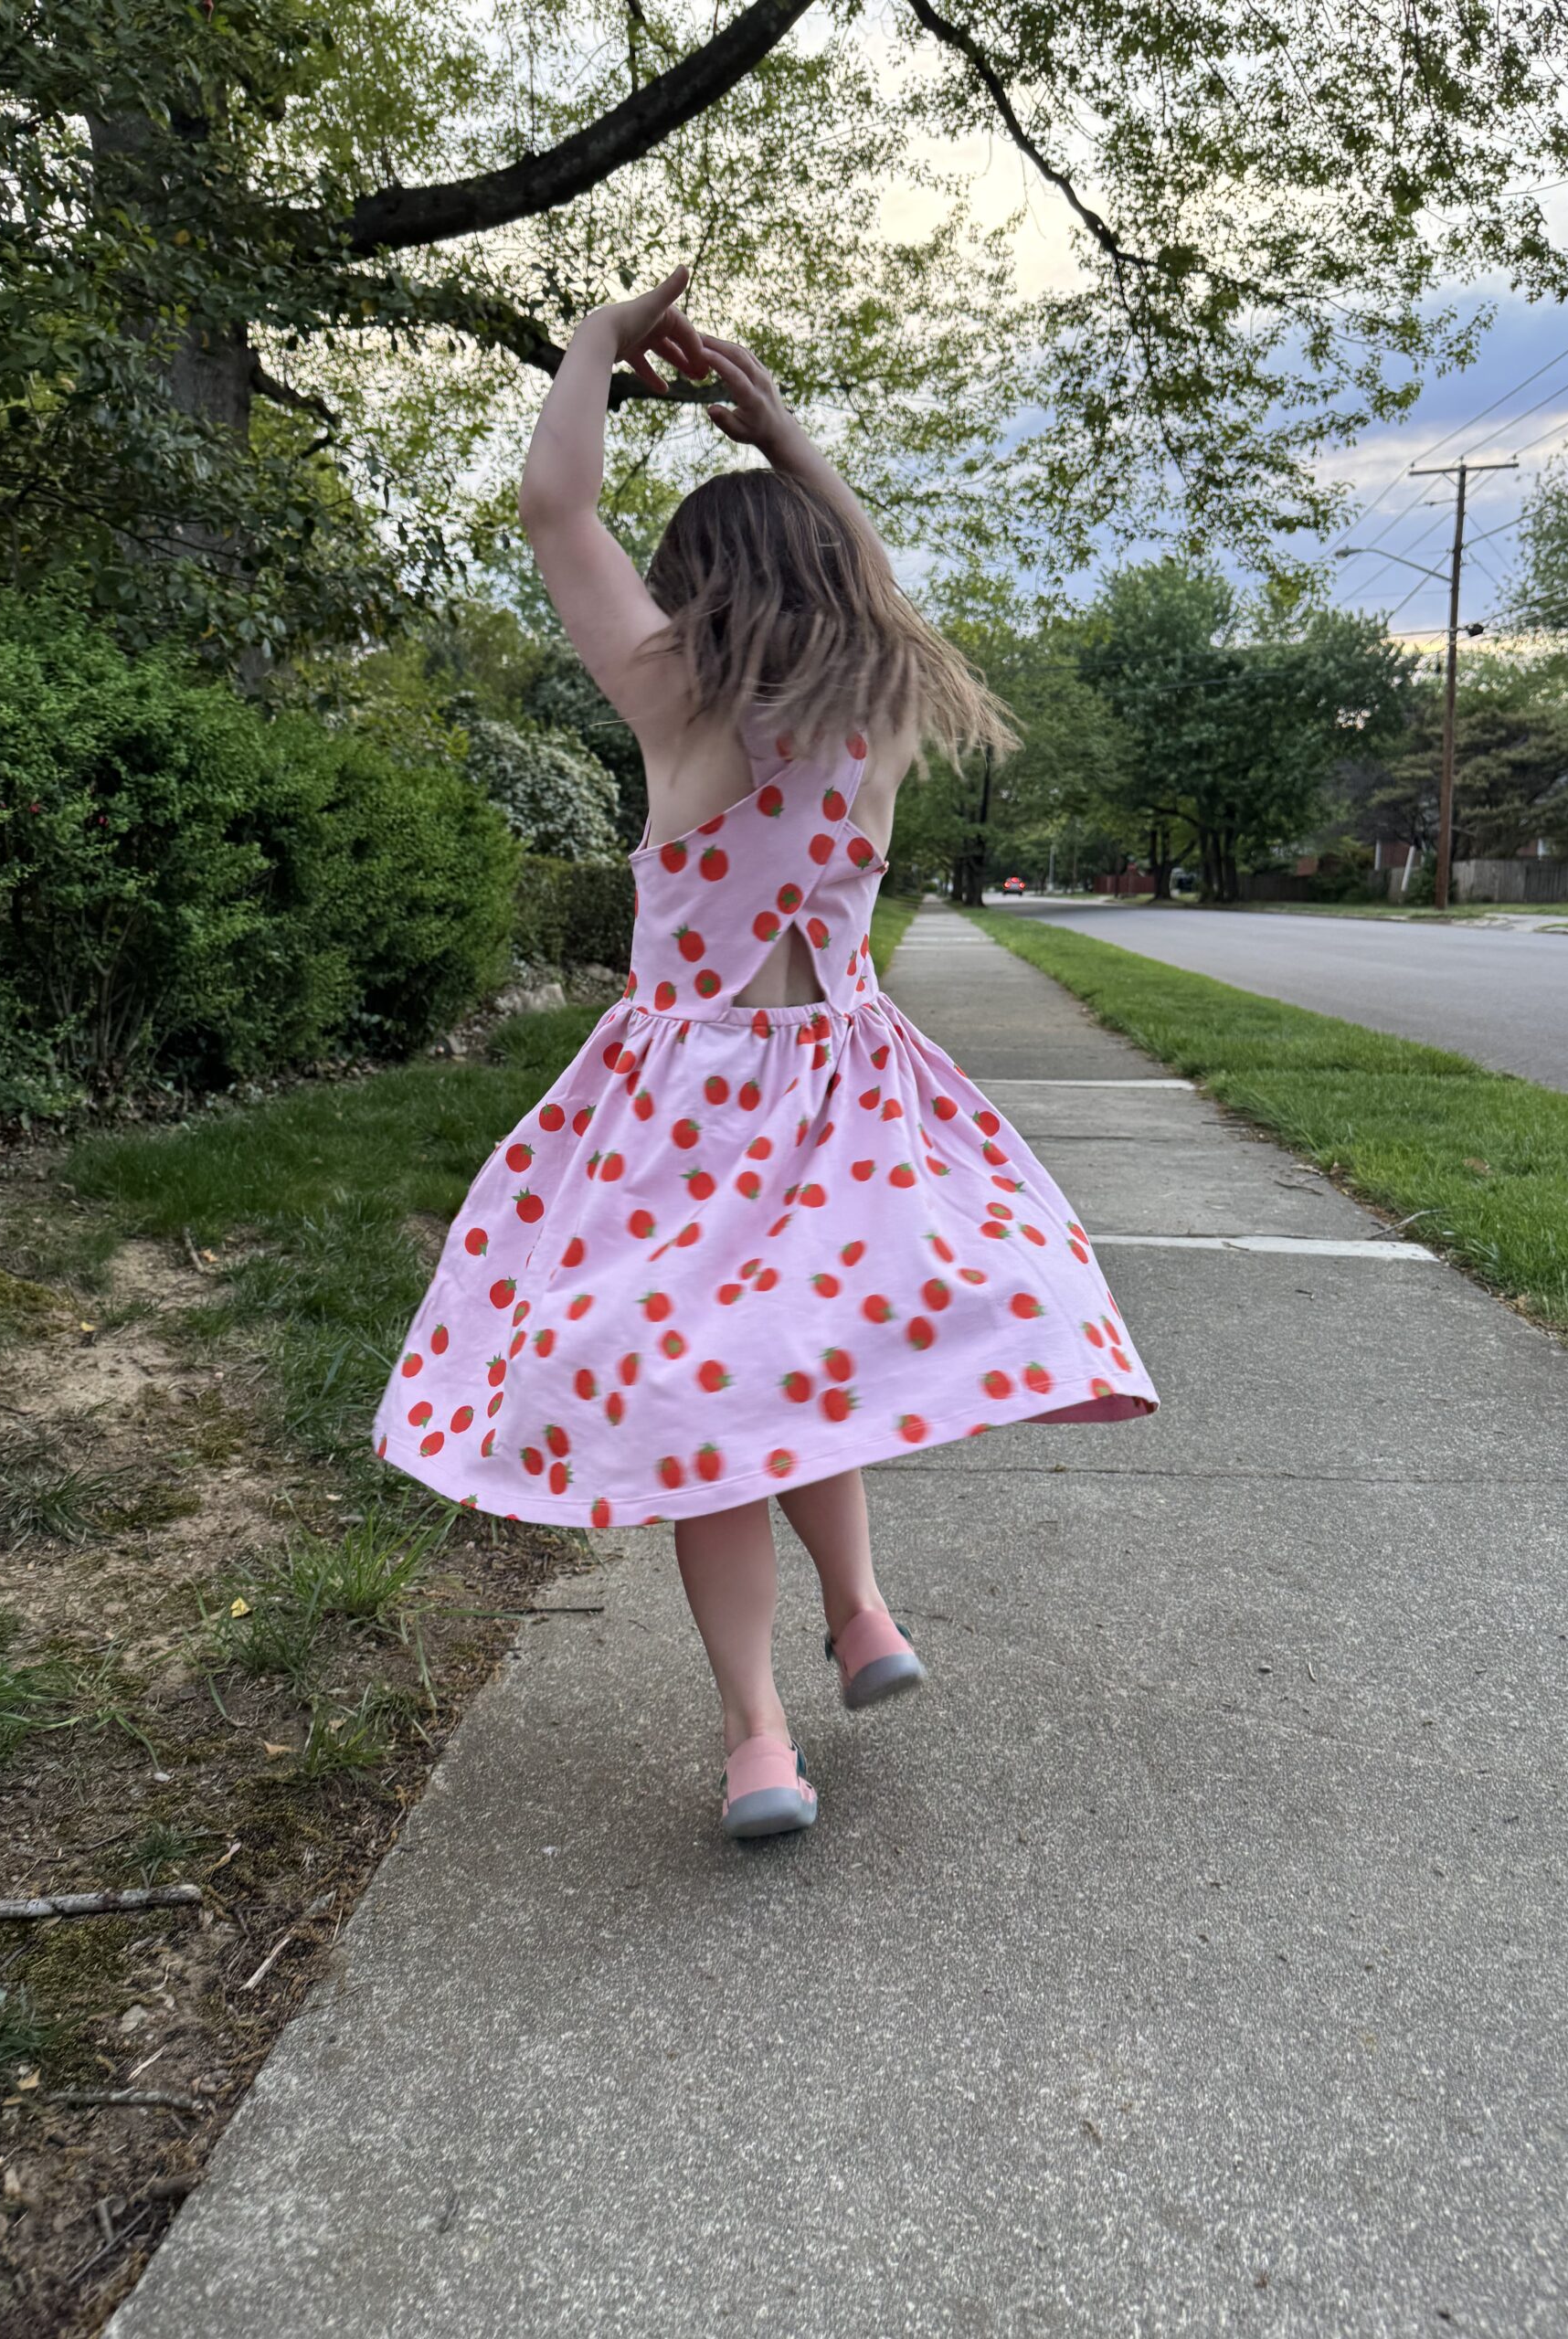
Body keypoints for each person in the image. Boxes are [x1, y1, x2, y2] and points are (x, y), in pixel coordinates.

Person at [371, 268, 1158, 1841]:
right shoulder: (886, 704)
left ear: (691, 590)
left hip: (686, 1105)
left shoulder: (676, 702)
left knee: (704, 1400)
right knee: (810, 1363)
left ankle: (757, 1736)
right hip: (848, 1087)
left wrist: (595, 347)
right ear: (827, 569)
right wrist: (785, 426)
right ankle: (861, 1611)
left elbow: (550, 508)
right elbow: (867, 564)